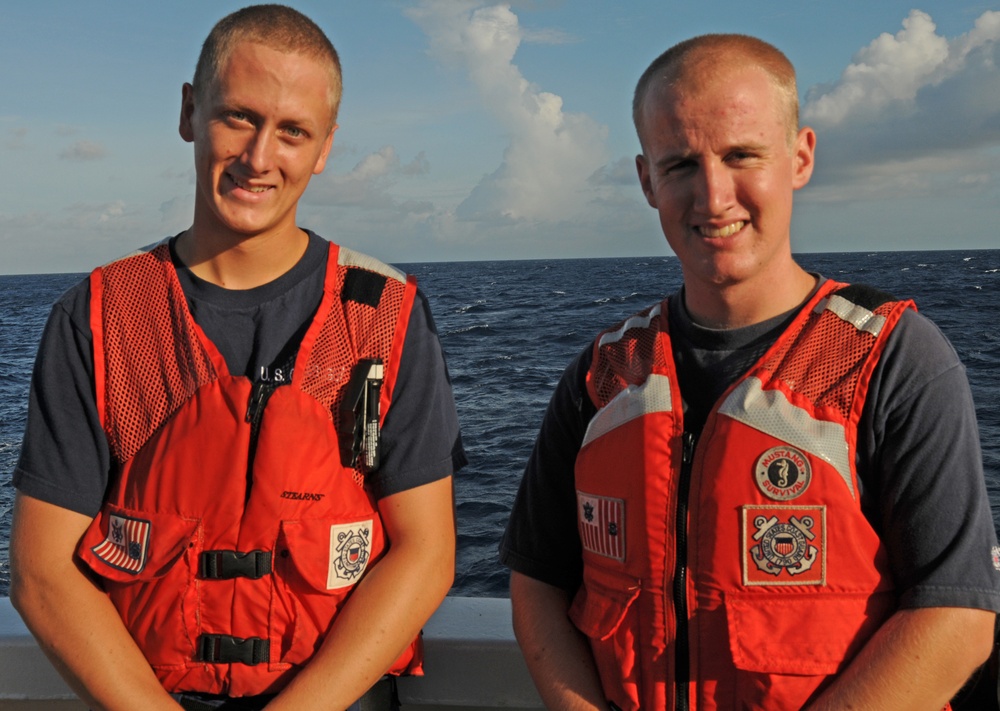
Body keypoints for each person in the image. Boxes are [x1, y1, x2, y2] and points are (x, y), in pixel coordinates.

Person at [500, 33, 1000, 710]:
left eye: (741, 156)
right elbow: (538, 581)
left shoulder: (897, 360)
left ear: (799, 157)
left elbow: (957, 617)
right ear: (647, 181)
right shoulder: (604, 375)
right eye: (679, 164)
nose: (713, 195)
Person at [9, 5, 464, 710]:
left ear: (324, 147)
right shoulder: (97, 317)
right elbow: (42, 569)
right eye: (240, 118)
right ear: (190, 112)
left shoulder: (388, 315)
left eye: (292, 132)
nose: (259, 158)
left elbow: (426, 550)